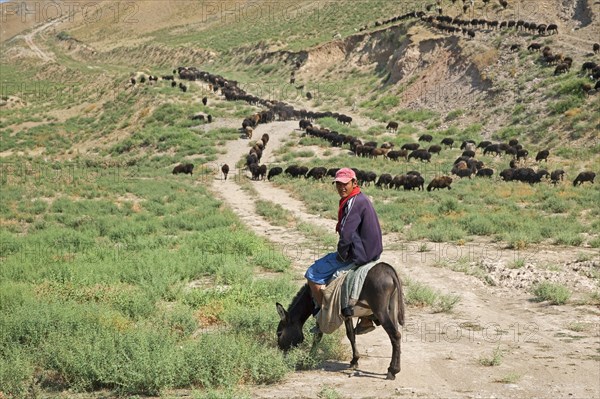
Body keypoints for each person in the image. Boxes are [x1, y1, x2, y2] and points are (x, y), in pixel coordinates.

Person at [305, 167, 383, 335]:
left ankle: (323, 314)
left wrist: (341, 255)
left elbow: (346, 234)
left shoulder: (354, 202)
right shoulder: (361, 198)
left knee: (312, 274)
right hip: (372, 251)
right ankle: (368, 317)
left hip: (360, 255)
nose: (341, 188)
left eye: (345, 184)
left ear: (355, 182)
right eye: (338, 184)